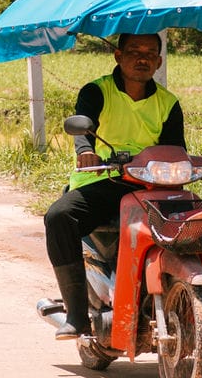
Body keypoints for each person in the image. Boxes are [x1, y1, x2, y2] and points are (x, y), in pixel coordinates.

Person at [43, 33, 184, 339]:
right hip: (103, 180)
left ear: (159, 62)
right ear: (119, 56)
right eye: (134, 51)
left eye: (150, 53)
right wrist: (85, 151)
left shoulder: (168, 103)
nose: (142, 58)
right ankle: (76, 314)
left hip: (151, 186)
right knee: (59, 217)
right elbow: (84, 126)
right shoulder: (97, 91)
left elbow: (176, 149)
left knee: (198, 223)